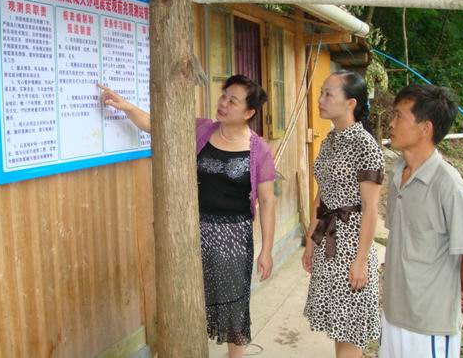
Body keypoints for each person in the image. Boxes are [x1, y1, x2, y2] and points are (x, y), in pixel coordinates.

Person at [98, 75, 276, 358]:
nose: (224, 103)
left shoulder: (259, 150)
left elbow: (267, 201)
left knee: (234, 307)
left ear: (249, 112)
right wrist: (125, 106)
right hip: (193, 233)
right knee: (191, 303)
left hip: (234, 239)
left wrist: (266, 249)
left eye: (233, 100)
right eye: (223, 95)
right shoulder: (202, 129)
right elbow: (156, 125)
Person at [379, 84, 463, 358]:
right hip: (393, 314)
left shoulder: (449, 186)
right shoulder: (397, 175)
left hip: (428, 326)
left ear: (425, 128)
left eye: (399, 116)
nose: (391, 123)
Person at [303, 70, 384, 358]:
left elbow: (371, 209)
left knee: (349, 332)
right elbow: (321, 196)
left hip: (351, 247)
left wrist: (361, 261)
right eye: (321, 92)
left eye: (328, 94)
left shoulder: (365, 146)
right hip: (328, 243)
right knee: (339, 328)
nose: (320, 100)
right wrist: (311, 241)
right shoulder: (329, 141)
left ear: (350, 103)